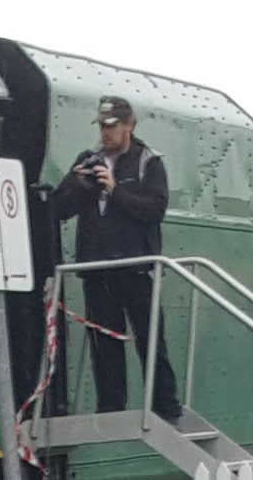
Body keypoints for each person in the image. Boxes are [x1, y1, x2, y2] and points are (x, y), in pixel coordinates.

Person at [45, 99, 173, 418]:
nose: (105, 132)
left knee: (150, 338)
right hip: (97, 267)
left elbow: (154, 210)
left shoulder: (149, 162)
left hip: (136, 267)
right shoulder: (88, 160)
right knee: (103, 342)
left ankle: (165, 405)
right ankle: (111, 406)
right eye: (101, 126)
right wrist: (78, 185)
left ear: (130, 126)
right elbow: (60, 210)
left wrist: (115, 191)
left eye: (112, 126)